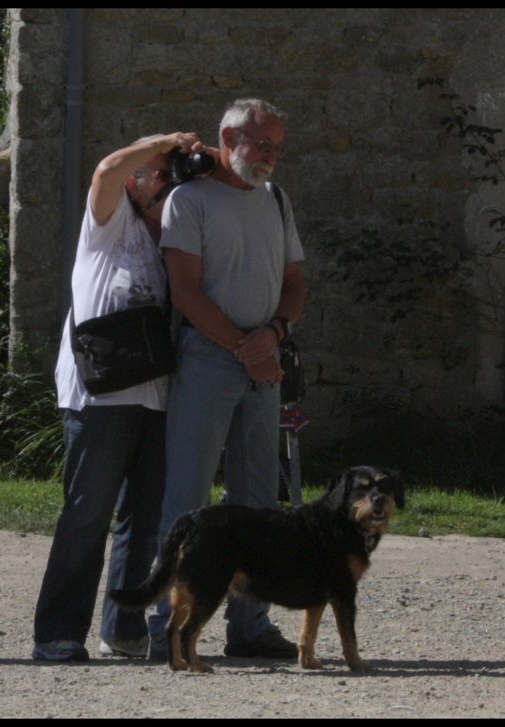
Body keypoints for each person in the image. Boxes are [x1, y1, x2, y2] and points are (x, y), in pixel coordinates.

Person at [33, 131, 205, 662]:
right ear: (139, 183)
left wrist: (201, 160)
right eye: (158, 172)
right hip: (100, 396)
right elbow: (107, 170)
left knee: (148, 518)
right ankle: (58, 634)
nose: (165, 179)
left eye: (168, 172)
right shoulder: (108, 223)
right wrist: (166, 140)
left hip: (156, 395)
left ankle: (125, 627)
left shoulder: (180, 236)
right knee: (88, 513)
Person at [148, 98, 305, 660]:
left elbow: (294, 282)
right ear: (227, 137)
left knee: (259, 502)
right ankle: (165, 629)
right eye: (262, 144)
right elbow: (185, 291)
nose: (270, 156)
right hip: (210, 361)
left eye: (277, 147)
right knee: (187, 499)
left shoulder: (276, 200)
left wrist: (277, 333)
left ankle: (250, 627)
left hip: (263, 361)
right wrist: (249, 346)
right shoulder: (188, 200)